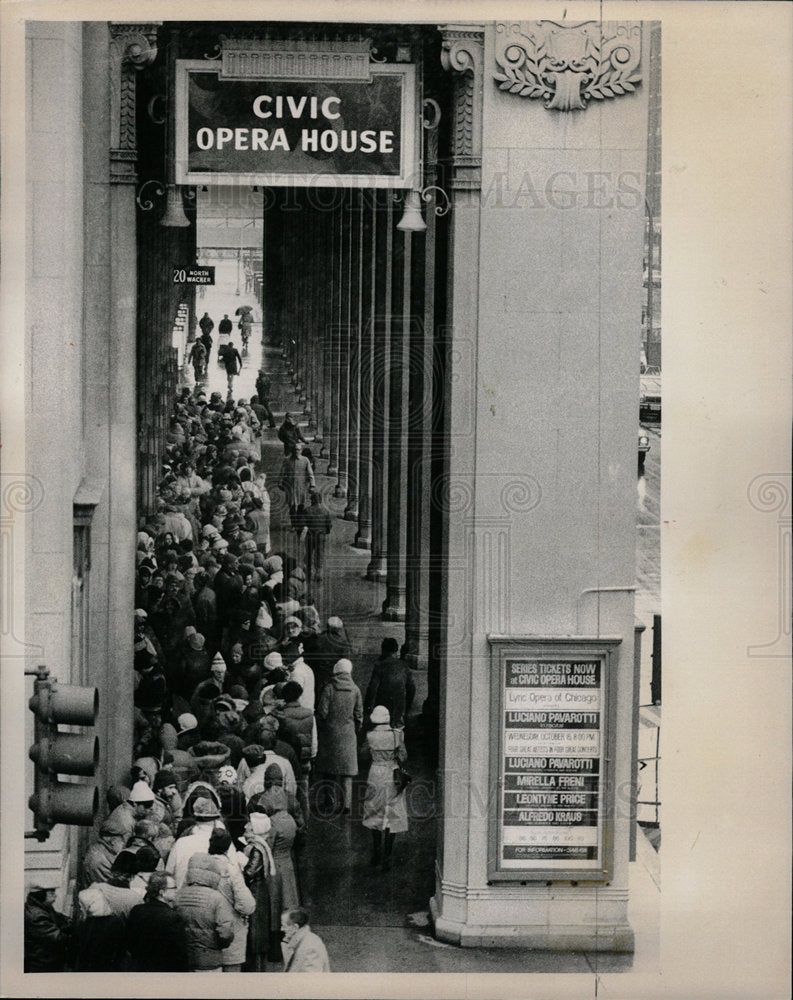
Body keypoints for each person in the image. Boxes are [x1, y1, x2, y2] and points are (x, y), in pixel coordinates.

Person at [361, 705, 409, 871]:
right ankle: (388, 855)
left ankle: (376, 851)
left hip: (375, 773)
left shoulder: (369, 736)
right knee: (392, 813)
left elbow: (363, 755)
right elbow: (403, 756)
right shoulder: (397, 735)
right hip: (392, 773)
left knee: (374, 810)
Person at [316, 658, 363, 814]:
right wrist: (355, 728)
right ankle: (347, 804)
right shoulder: (355, 689)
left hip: (330, 734)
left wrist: (323, 727)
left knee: (328, 770)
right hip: (348, 734)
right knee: (346, 772)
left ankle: (329, 801)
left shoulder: (329, 688)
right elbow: (359, 714)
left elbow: (322, 712)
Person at [174, 853, 235, 972]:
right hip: (210, 958)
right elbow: (225, 932)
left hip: (184, 957)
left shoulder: (178, 895)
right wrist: (219, 945)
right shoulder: (217, 898)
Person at [208, 828, 256, 972]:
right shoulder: (232, 870)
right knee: (231, 973)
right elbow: (247, 906)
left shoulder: (199, 867)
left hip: (205, 928)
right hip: (231, 928)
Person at [126, 871, 190, 972]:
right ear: (162, 892)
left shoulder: (137, 910)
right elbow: (179, 954)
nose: (176, 891)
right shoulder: (173, 917)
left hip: (141, 968)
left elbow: (130, 942)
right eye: (173, 888)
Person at [242, 812, 277, 972]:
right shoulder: (262, 846)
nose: (245, 827)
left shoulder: (256, 850)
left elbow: (249, 872)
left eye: (248, 826)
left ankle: (256, 968)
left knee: (256, 929)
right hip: (260, 889)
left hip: (255, 891)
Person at [364, 636, 416, 730]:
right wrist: (408, 707)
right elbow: (411, 688)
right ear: (396, 650)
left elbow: (372, 689)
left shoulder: (379, 666)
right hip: (399, 705)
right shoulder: (404, 666)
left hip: (383, 704)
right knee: (398, 728)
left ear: (383, 650)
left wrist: (367, 709)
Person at [24, 885, 73, 972]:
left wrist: (72, 923)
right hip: (42, 963)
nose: (56, 895)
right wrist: (79, 937)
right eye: (52, 893)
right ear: (41, 895)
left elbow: (60, 919)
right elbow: (57, 938)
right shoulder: (36, 915)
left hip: (47, 958)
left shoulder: (44, 907)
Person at [279, 444, 315, 540]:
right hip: (290, 487)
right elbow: (282, 472)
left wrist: (312, 485)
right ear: (292, 450)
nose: (296, 452)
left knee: (300, 505)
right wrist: (280, 482)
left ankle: (299, 523)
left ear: (300, 450)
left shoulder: (305, 460)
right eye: (295, 450)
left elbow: (310, 473)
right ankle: (293, 524)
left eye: (298, 450)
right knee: (291, 506)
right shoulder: (287, 460)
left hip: (301, 487)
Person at [281, 907, 330, 972]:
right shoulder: (296, 940)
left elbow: (310, 980)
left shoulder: (310, 947)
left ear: (295, 927)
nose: (281, 929)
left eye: (284, 926)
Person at [303, 490, 332, 581]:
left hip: (310, 535)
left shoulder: (307, 510)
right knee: (320, 554)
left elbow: (302, 523)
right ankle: (318, 573)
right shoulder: (325, 511)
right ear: (320, 501)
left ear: (312, 501)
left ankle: (308, 571)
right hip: (321, 536)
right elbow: (329, 526)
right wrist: (325, 532)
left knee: (309, 553)